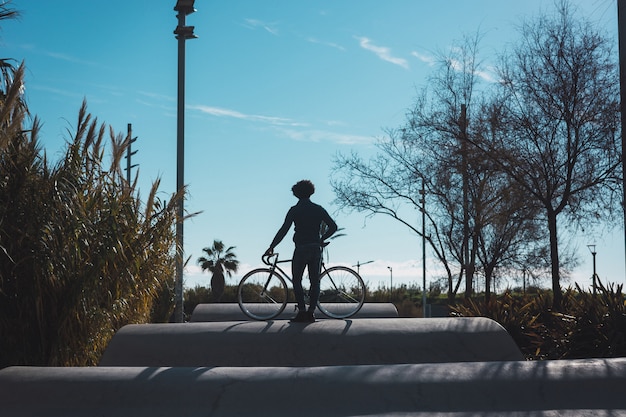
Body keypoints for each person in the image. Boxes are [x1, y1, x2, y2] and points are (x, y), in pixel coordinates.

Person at [264, 180, 338, 322]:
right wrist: (322, 239)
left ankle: (302, 311)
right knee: (314, 281)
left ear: (296, 193)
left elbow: (284, 230)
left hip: (301, 248)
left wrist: (272, 246)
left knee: (297, 280)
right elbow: (333, 226)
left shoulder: (294, 210)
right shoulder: (318, 209)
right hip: (315, 248)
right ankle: (311, 312)